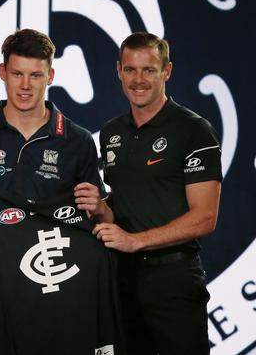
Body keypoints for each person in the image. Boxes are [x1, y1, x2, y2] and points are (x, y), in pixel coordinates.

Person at [0, 28, 113, 354]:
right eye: (17, 74)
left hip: (59, 287)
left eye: (35, 75)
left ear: (51, 76)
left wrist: (100, 208)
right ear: (2, 72)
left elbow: (104, 218)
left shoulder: (78, 140)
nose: (25, 85)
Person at [94, 32, 222, 354]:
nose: (139, 80)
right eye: (131, 70)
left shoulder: (193, 130)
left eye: (149, 70)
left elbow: (205, 217)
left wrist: (136, 241)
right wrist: (98, 206)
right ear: (119, 71)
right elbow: (121, 203)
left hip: (173, 279)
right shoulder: (111, 132)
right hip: (122, 279)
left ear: (167, 72)